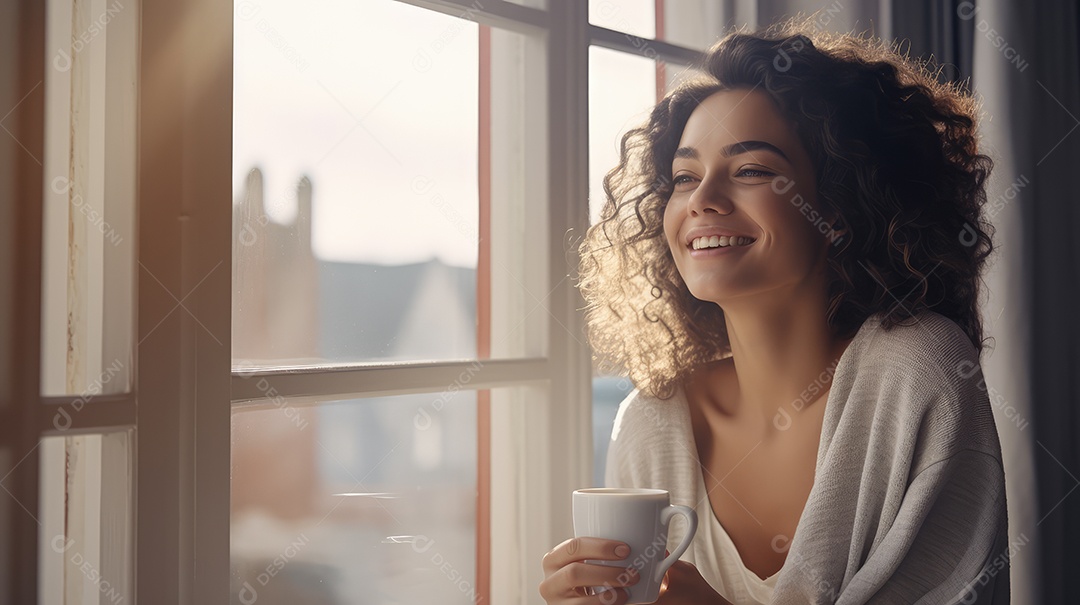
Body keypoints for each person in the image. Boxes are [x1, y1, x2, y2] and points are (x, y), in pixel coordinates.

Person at [539, 17, 1009, 605]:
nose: (703, 200)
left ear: (840, 205)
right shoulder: (653, 424)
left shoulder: (919, 370)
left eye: (751, 171)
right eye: (685, 177)